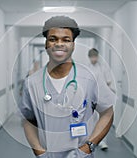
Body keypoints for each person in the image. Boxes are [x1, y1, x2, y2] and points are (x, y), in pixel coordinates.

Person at [19, 16, 115, 158]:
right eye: (53, 39)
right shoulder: (31, 83)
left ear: (73, 45)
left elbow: (107, 112)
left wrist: (88, 147)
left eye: (66, 40)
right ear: (46, 44)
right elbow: (28, 120)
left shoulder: (91, 78)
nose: (59, 44)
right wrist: (38, 151)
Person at [87, 48, 116, 151]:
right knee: (92, 119)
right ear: (89, 58)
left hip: (103, 97)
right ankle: (92, 140)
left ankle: (103, 141)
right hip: (91, 97)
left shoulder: (103, 68)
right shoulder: (88, 68)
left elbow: (108, 81)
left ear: (98, 57)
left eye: (95, 57)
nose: (93, 59)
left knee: (104, 119)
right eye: (92, 57)